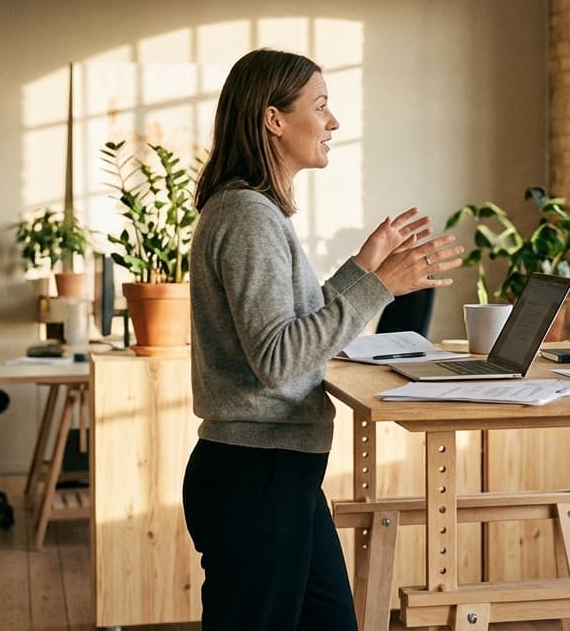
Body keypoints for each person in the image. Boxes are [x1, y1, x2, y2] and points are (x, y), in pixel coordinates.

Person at [181, 48, 463, 629]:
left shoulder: (254, 213)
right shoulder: (246, 216)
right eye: (322, 105)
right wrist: (380, 287)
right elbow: (279, 359)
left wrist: (363, 268)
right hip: (256, 475)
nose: (333, 122)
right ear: (273, 119)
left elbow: (298, 329)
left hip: (280, 473)